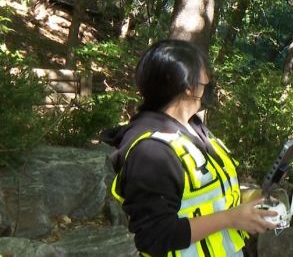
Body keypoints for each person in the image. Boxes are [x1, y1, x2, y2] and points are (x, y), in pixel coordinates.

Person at [102, 39, 276, 256]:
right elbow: (154, 236)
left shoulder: (193, 127)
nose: (208, 86)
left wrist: (248, 199)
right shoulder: (151, 151)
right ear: (188, 87)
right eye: (205, 82)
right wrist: (231, 218)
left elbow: (202, 196)